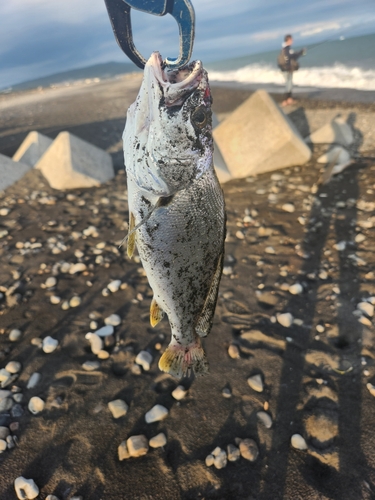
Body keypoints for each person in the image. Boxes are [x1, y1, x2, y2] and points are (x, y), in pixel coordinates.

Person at [277, 34, 306, 106]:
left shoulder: (285, 48)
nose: (292, 41)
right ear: (288, 40)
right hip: (287, 69)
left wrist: (299, 53)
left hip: (285, 69)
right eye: (291, 39)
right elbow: (290, 57)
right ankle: (286, 100)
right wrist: (300, 53)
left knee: (289, 84)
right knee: (288, 84)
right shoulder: (286, 48)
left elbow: (291, 56)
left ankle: (288, 99)